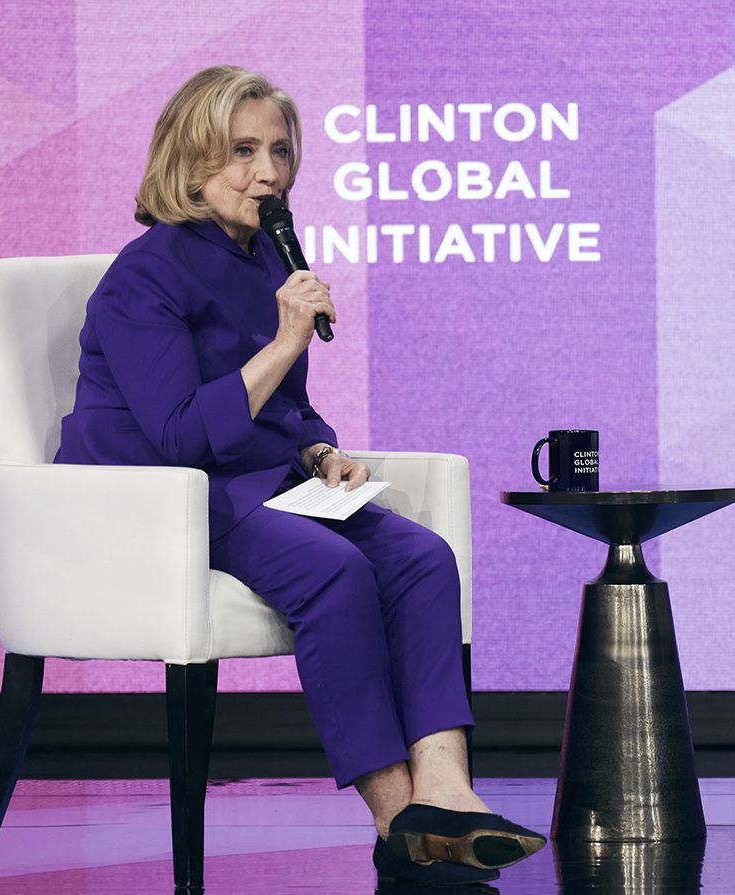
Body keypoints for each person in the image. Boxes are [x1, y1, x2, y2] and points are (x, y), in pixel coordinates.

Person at [54, 65, 543, 886]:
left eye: (279, 151)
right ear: (190, 159)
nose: (269, 173)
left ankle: (449, 791)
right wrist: (285, 339)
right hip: (164, 494)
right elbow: (178, 433)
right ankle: (399, 826)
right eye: (242, 151)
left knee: (423, 558)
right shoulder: (144, 274)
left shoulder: (259, 260)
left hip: (260, 481)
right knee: (335, 571)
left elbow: (289, 412)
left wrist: (322, 453)